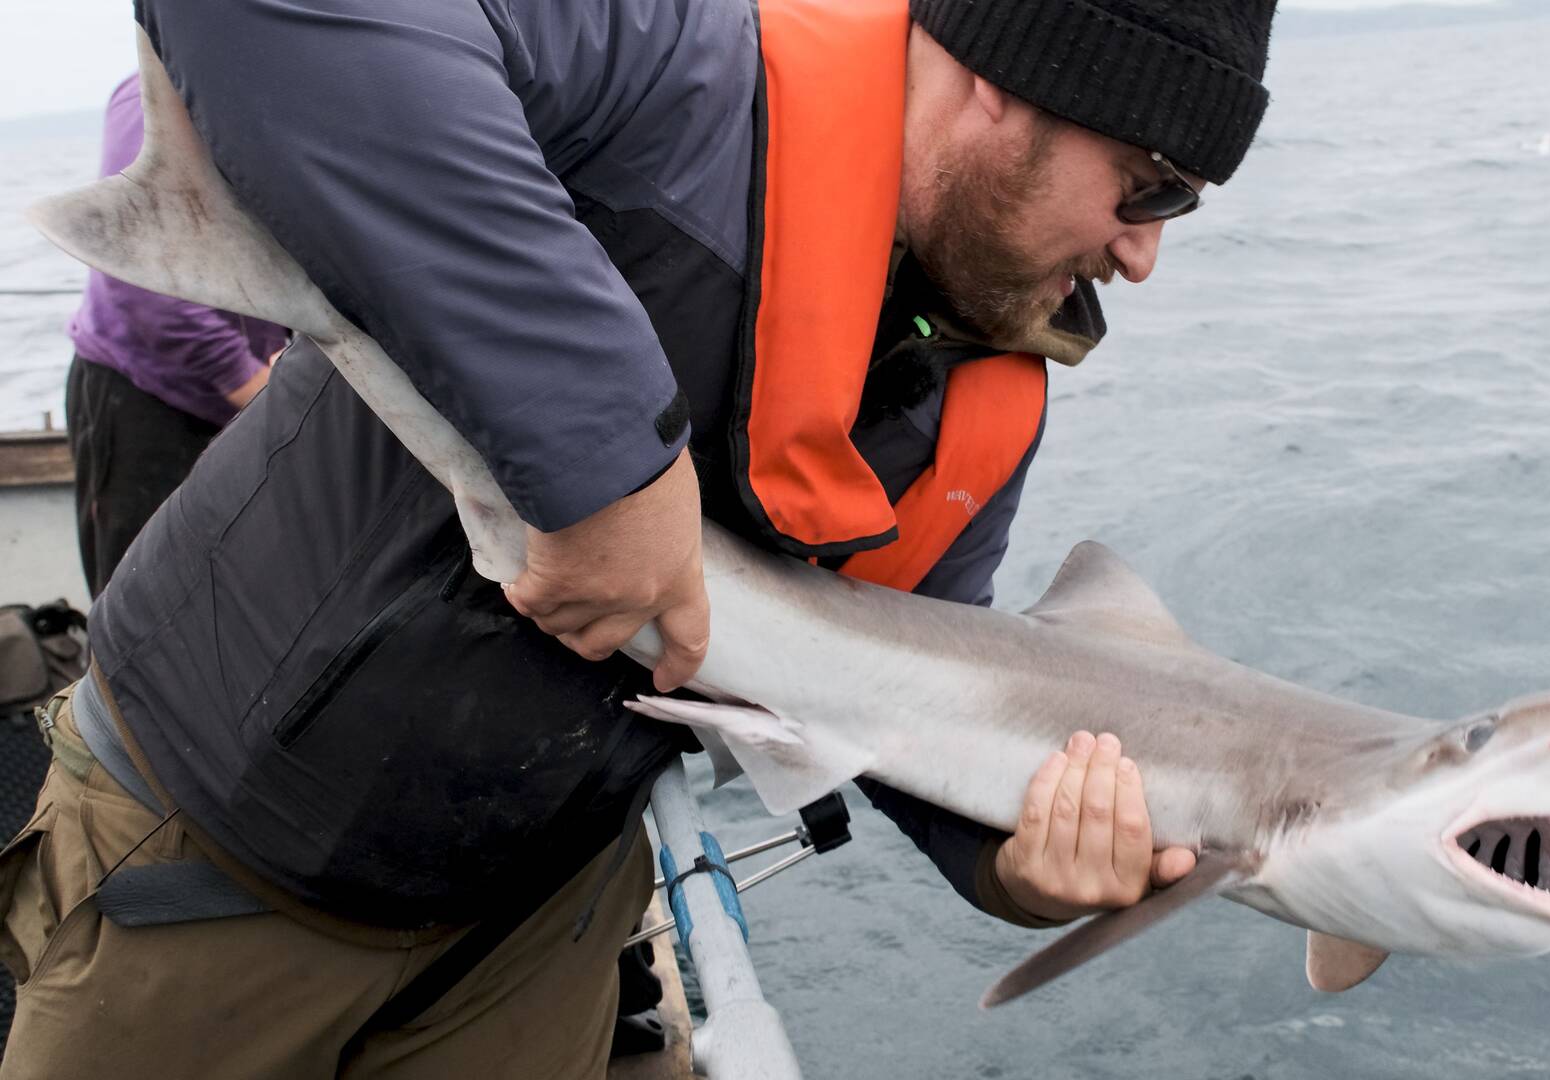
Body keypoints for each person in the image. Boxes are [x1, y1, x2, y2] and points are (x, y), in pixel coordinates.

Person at [0, 0, 1277, 1074]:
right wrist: (605, 454)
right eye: (1148, 182)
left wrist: (1020, 869)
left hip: (530, 938)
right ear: (1017, 83)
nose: (1145, 253)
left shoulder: (982, 388)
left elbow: (898, 710)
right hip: (210, 857)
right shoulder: (669, 74)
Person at [64, 74, 285, 597]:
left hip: (252, 399)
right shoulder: (155, 91)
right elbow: (136, 272)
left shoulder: (274, 93)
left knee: (237, 607)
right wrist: (249, 382)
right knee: (140, 609)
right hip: (148, 400)